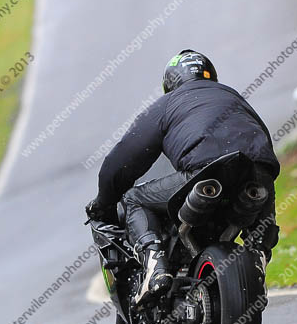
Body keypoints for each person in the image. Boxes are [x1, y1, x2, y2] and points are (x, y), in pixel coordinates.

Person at [86, 49, 280, 304]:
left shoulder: (167, 104)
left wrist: (104, 203)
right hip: (256, 171)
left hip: (203, 173)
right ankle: (258, 261)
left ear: (170, 84)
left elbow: (123, 161)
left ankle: (155, 267)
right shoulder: (233, 96)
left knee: (134, 198)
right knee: (258, 190)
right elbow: (263, 141)